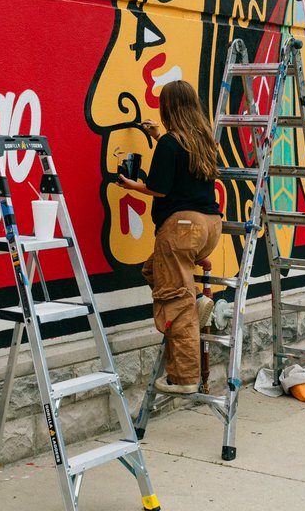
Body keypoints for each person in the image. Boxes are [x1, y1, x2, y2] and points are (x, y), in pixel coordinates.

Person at [116, 80, 222, 394]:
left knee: (176, 301)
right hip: (208, 228)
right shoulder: (203, 140)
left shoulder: (170, 144)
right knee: (153, 271)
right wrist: (158, 137)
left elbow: (159, 188)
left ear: (168, 108)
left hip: (181, 228)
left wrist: (130, 185)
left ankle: (185, 377)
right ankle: (195, 298)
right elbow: (183, 167)